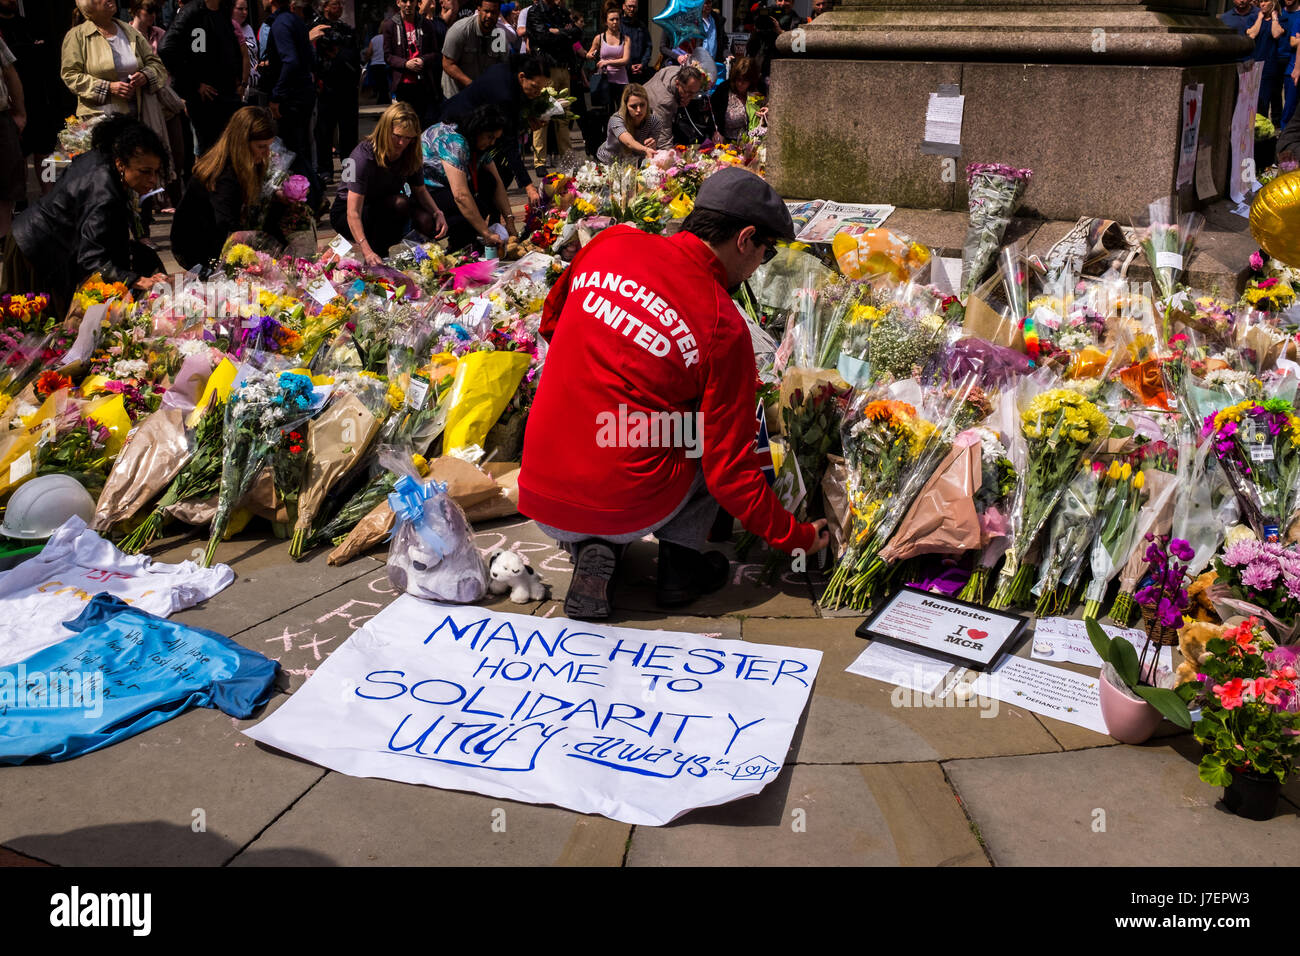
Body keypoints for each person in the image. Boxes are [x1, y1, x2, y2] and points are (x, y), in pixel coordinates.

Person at [518, 167, 829, 619]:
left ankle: (593, 546)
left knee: (638, 425)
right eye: (764, 254)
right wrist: (796, 536)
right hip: (628, 501)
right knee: (700, 432)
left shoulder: (611, 243)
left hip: (541, 493)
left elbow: (552, 321)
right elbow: (731, 472)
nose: (759, 265)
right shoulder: (721, 322)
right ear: (744, 239)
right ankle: (679, 567)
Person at [3, 115, 169, 315]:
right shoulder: (103, 192)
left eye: (155, 172)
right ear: (121, 164)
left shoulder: (102, 157)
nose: (152, 180)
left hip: (35, 239)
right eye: (145, 171)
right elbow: (92, 260)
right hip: (36, 251)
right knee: (32, 326)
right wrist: (136, 279)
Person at [330, 102, 447, 264]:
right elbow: (353, 212)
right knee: (399, 204)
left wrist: (437, 212)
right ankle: (377, 254)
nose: (402, 143)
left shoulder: (410, 153)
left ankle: (418, 257)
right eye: (397, 136)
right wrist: (366, 250)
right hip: (348, 211)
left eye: (408, 138)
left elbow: (420, 190)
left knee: (427, 220)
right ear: (386, 131)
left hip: (385, 204)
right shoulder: (362, 156)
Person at [170, 105, 276, 270]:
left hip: (211, 237)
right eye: (261, 146)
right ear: (242, 144)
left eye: (269, 146)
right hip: (197, 248)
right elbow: (227, 226)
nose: (266, 153)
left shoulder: (241, 164)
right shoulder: (224, 175)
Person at [440, 52, 548, 204]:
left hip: (472, 126)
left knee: (497, 176)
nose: (537, 94)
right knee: (491, 178)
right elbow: (509, 142)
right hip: (456, 128)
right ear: (522, 76)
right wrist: (529, 186)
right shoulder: (504, 94)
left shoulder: (507, 72)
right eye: (535, 87)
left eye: (540, 90)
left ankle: (494, 219)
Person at [421, 104, 516, 251]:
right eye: (490, 137)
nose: (492, 143)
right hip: (427, 190)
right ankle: (460, 245)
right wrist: (486, 233)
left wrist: (510, 221)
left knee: (489, 181)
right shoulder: (455, 142)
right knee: (472, 207)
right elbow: (460, 195)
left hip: (449, 185)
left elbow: (497, 182)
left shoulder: (479, 144)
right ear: (478, 130)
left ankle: (467, 239)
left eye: (495, 139)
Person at [160, 0, 244, 154]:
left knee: (231, 149)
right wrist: (194, 83)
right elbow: (166, 48)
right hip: (207, 100)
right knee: (210, 152)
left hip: (228, 95)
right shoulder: (191, 12)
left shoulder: (223, 10)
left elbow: (231, 47)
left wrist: (239, 81)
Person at [264, 0, 320, 205]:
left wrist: (277, 96)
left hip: (292, 98)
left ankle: (312, 199)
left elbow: (291, 60)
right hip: (301, 93)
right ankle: (313, 196)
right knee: (297, 149)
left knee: (290, 153)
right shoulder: (294, 21)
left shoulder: (282, 23)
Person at [525, 0, 580, 169]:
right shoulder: (535, 12)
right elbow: (542, 38)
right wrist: (565, 33)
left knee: (563, 117)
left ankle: (567, 160)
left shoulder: (561, 12)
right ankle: (539, 162)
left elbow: (577, 33)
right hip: (546, 70)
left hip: (564, 68)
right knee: (543, 116)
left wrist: (558, 32)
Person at [311, 0, 361, 184]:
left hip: (348, 89)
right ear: (324, 6)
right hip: (325, 90)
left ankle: (349, 173)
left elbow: (355, 56)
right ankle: (325, 171)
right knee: (324, 132)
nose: (339, 7)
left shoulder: (347, 29)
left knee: (349, 133)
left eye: (340, 4)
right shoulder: (315, 28)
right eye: (334, 4)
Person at [384, 0, 442, 124]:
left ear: (417, 2)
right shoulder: (390, 25)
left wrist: (423, 60)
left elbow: (436, 53)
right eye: (405, 1)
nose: (408, 4)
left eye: (412, 1)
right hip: (402, 85)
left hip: (423, 83)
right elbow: (388, 56)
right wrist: (405, 64)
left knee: (422, 124)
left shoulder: (426, 24)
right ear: (398, 2)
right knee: (403, 123)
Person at [440, 0, 508, 99]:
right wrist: (473, 85)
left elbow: (502, 67)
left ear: (498, 14)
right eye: (486, 11)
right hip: (455, 95)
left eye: (493, 12)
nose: (489, 16)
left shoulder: (499, 36)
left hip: (481, 96)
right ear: (479, 9)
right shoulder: (460, 30)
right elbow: (447, 64)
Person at [595, 82, 662, 162]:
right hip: (609, 161)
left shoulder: (655, 121)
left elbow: (650, 151)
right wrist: (645, 149)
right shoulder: (616, 119)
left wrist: (652, 146)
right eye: (633, 106)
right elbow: (629, 142)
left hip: (634, 162)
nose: (639, 110)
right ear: (626, 106)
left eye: (642, 105)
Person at [585, 3, 629, 114]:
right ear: (606, 22)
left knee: (622, 113)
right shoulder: (599, 38)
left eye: (617, 19)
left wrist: (607, 62)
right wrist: (591, 55)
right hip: (604, 80)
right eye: (612, 19)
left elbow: (625, 60)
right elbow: (588, 54)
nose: (615, 22)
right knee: (607, 113)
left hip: (621, 81)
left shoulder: (626, 39)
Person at [0, 34, 22, 243]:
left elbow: (10, 72)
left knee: (6, 179)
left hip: (1, 116)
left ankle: (4, 238)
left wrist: (20, 112)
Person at [710, 55, 761, 141]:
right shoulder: (724, 90)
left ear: (751, 80)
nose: (740, 84)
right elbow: (711, 114)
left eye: (744, 81)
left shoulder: (757, 91)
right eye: (738, 79)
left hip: (751, 142)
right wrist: (715, 131)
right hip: (726, 141)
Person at [643, 61, 702, 135]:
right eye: (689, 93)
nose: (691, 97)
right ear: (677, 83)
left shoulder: (677, 71)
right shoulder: (665, 101)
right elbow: (663, 134)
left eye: (695, 93)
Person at [621, 0, 652, 84]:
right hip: (623, 73)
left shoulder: (641, 26)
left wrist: (643, 64)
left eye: (634, 7)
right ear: (623, 6)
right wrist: (629, 66)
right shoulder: (618, 26)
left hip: (641, 72)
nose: (632, 9)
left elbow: (648, 46)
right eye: (629, 6)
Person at [363, 23, 390, 103]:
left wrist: (366, 60)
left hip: (375, 66)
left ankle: (382, 102)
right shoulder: (390, 39)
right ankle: (384, 102)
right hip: (387, 65)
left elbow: (369, 52)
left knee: (379, 85)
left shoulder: (374, 39)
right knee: (385, 86)